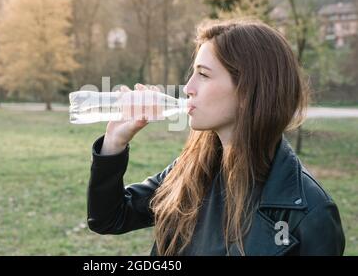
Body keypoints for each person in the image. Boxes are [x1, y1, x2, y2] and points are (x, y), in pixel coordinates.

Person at [86, 19, 345, 256]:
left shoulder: (309, 213)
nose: (188, 88)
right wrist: (114, 143)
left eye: (204, 74)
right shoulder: (191, 169)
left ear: (248, 91)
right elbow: (109, 218)